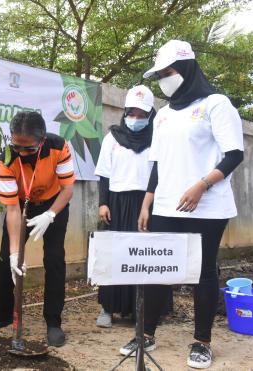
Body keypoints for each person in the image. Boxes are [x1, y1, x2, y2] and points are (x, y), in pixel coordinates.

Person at [118, 40, 244, 369]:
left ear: (186, 69)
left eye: (168, 72)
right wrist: (147, 202)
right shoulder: (161, 117)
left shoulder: (217, 104)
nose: (163, 78)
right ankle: (146, 334)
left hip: (208, 206)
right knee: (158, 271)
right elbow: (157, 164)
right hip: (165, 206)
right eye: (159, 74)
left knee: (202, 274)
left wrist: (202, 185)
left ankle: (202, 341)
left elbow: (234, 154)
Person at [0, 111, 75, 347]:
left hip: (54, 204)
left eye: (29, 149)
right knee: (5, 261)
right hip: (22, 207)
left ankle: (53, 321)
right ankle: (4, 315)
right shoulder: (6, 156)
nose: (22, 153)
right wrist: (15, 253)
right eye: (17, 147)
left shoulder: (58, 146)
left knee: (54, 260)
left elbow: (67, 189)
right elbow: (12, 210)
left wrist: (51, 214)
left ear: (42, 140)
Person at [94, 85, 157, 328]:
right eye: (132, 113)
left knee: (145, 256)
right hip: (118, 203)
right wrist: (103, 203)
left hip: (147, 203)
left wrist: (150, 204)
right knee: (117, 254)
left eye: (142, 115)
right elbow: (104, 174)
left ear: (150, 116)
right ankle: (108, 308)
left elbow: (161, 173)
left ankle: (141, 311)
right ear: (125, 112)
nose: (136, 119)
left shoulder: (157, 140)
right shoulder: (113, 137)